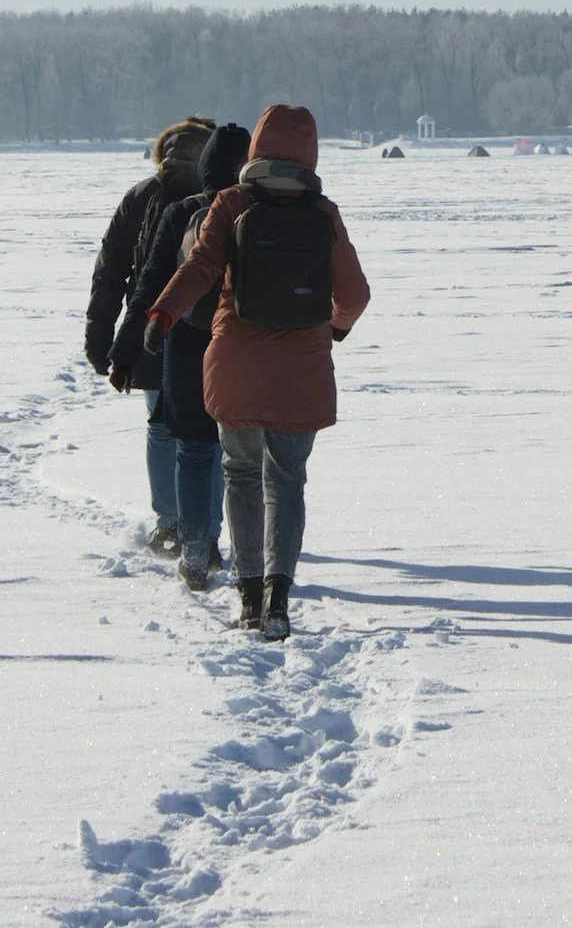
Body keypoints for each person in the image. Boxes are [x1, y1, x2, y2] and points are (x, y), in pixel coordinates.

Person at [152, 105, 370, 641]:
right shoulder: (324, 214)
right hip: (303, 369)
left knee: (242, 475)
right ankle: (278, 598)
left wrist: (163, 312)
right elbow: (356, 295)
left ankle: (247, 596)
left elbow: (198, 267)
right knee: (288, 482)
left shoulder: (230, 204)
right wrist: (333, 329)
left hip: (236, 363)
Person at [110, 123, 250, 592]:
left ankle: (193, 546)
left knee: (193, 448)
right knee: (236, 455)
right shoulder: (259, 209)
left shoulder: (179, 213)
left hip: (186, 342)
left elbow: (148, 285)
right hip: (246, 345)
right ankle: (218, 541)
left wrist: (126, 351)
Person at [85, 115, 216, 557]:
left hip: (150, 330)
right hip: (211, 329)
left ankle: (169, 522)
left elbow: (109, 274)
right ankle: (207, 529)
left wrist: (101, 339)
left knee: (161, 427)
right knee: (208, 432)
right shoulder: (224, 197)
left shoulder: (141, 196)